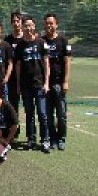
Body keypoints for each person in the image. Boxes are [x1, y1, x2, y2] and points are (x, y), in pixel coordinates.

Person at [16, 16, 51, 153]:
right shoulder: (20, 45)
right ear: (22, 27)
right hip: (26, 86)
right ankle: (31, 139)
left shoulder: (41, 42)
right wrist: (18, 85)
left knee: (42, 113)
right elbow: (18, 66)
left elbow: (47, 64)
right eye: (26, 25)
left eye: (30, 25)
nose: (28, 28)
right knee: (29, 114)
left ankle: (45, 140)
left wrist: (46, 83)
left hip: (39, 85)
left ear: (34, 26)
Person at [43, 13, 71, 150]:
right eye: (47, 23)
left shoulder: (63, 40)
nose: (49, 25)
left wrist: (65, 81)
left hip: (59, 83)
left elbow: (67, 62)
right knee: (48, 114)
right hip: (46, 85)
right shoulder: (41, 41)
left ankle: (61, 138)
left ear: (56, 24)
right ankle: (53, 138)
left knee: (61, 114)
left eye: (51, 23)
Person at [5, 11, 24, 136]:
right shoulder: (8, 40)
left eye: (18, 21)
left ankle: (31, 135)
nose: (16, 23)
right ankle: (14, 131)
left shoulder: (26, 38)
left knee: (29, 107)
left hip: (26, 77)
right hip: (12, 78)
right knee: (12, 105)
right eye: (14, 21)